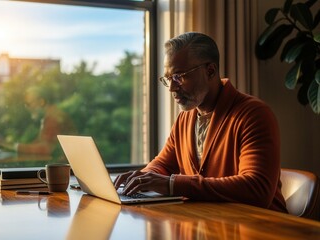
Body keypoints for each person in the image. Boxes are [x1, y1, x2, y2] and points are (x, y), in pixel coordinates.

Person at [114, 32, 288, 213]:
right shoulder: (185, 119)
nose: (172, 88)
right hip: (212, 223)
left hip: (262, 227)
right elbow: (163, 165)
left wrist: (173, 185)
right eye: (168, 78)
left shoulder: (253, 114)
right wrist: (139, 179)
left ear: (210, 71)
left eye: (179, 76)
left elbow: (257, 189)